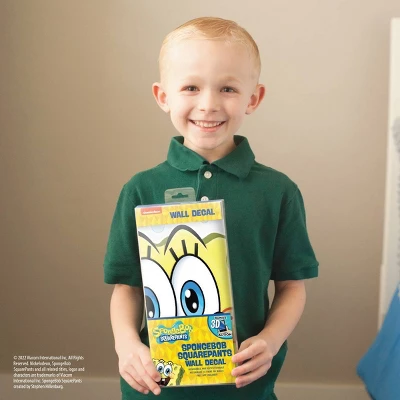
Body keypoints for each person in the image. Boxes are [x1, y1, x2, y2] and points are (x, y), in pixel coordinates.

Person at [104, 16, 319, 400]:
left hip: (244, 385)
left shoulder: (278, 191)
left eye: (228, 88)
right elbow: (127, 287)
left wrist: (270, 341)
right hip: (156, 385)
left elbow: (291, 286)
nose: (208, 104)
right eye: (191, 87)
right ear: (163, 96)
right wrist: (126, 345)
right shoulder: (139, 189)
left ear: (253, 98)